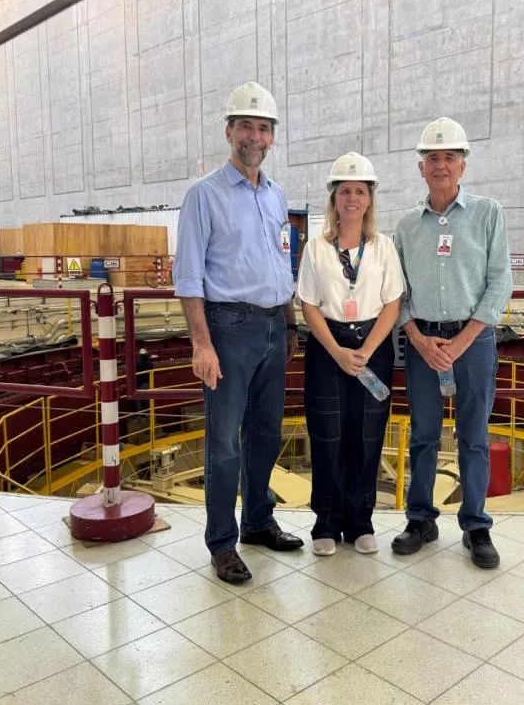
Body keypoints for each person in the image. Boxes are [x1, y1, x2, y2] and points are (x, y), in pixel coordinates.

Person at [173, 81, 303, 584]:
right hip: (228, 330)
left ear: (272, 137)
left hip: (274, 326)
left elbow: (281, 261)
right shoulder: (203, 195)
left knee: (266, 434)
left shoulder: (276, 196)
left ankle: (258, 521)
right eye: (246, 125)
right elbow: (188, 278)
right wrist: (202, 344)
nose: (255, 135)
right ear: (229, 132)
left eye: (264, 127)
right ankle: (222, 542)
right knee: (225, 442)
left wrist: (289, 323)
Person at [392, 117, 513, 569]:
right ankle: (421, 519)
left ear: (463, 166)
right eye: (433, 159)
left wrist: (462, 341)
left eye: (449, 158)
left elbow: (500, 281)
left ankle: (476, 526)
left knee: (474, 437)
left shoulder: (488, 213)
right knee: (423, 434)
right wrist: (417, 338)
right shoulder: (406, 226)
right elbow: (397, 293)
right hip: (422, 342)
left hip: (474, 341)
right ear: (421, 168)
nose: (441, 166)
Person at [297, 152, 404, 557]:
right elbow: (308, 304)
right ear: (334, 198)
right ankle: (325, 521)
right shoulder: (316, 249)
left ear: (370, 198)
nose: (353, 198)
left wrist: (365, 351)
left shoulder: (383, 248)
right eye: (345, 191)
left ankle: (360, 521)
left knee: (367, 436)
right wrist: (339, 352)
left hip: (372, 348)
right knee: (327, 436)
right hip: (328, 349)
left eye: (360, 191)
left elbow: (392, 303)